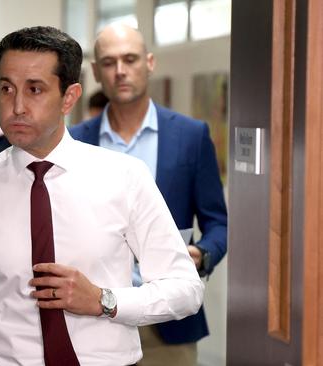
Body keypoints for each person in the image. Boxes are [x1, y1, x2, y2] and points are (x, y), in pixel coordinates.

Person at [0, 26, 204, 366]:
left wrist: (103, 300)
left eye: (35, 89)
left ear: (69, 97)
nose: (17, 106)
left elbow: (186, 289)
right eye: (7, 89)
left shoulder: (125, 177)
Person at [69, 24, 228, 366]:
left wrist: (202, 253)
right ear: (95, 71)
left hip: (168, 324)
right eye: (108, 63)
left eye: (130, 59)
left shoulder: (190, 136)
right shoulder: (75, 141)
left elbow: (219, 223)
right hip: (94, 321)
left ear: (150, 62)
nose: (120, 71)